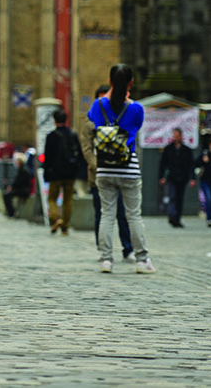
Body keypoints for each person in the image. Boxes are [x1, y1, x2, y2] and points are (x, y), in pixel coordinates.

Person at [86, 63, 155, 274]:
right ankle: (142, 260)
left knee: (107, 214)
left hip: (105, 168)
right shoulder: (136, 108)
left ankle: (106, 259)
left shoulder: (98, 105)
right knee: (133, 215)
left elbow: (92, 123)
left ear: (110, 82)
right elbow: (136, 127)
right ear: (131, 83)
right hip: (128, 168)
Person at [80, 85, 134, 260]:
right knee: (101, 215)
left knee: (122, 215)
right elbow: (87, 150)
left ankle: (128, 248)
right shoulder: (89, 123)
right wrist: (99, 166)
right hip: (98, 176)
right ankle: (103, 249)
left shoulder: (117, 119)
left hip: (119, 173)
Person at [43, 109, 81, 235]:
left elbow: (47, 157)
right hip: (70, 173)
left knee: (52, 198)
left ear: (55, 121)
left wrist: (46, 172)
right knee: (68, 200)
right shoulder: (72, 134)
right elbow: (79, 153)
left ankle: (56, 218)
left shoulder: (51, 136)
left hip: (55, 173)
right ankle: (65, 227)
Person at [159, 128, 196, 228]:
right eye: (174, 136)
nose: (175, 137)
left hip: (183, 178)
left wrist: (193, 178)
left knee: (179, 199)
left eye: (177, 135)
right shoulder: (168, 149)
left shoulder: (186, 150)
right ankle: (172, 215)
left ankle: (177, 218)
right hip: (172, 177)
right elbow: (163, 164)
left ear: (181, 136)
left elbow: (191, 165)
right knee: (172, 196)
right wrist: (162, 176)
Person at [2, 149, 34, 218]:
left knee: (6, 195)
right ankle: (11, 211)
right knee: (7, 194)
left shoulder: (23, 170)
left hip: (24, 190)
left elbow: (19, 182)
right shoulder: (23, 169)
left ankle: (12, 212)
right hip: (22, 188)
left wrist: (12, 187)